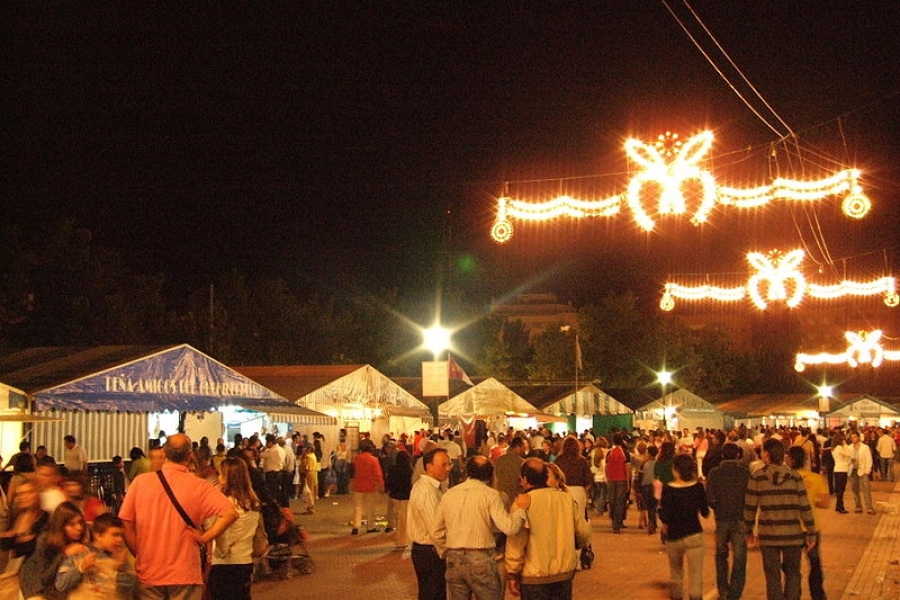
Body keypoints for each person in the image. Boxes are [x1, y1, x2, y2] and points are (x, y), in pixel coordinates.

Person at [119, 433, 238, 599]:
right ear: (190, 456)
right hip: (185, 572)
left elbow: (126, 523)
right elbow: (230, 513)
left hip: (149, 571)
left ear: (165, 454)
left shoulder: (140, 483)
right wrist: (205, 537)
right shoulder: (200, 486)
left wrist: (140, 553)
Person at [432, 455, 530, 600]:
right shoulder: (490, 495)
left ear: (467, 472)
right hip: (481, 558)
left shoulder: (449, 494)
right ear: (490, 475)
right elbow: (509, 528)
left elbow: (435, 531)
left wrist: (446, 550)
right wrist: (521, 510)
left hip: (454, 558)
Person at [505, 458, 592, 600]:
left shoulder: (523, 503)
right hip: (564, 574)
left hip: (534, 577)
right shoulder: (566, 500)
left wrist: (512, 573)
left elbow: (516, 542)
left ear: (525, 479)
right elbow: (583, 533)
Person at [744, 437, 816, 600]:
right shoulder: (795, 477)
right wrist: (811, 532)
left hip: (768, 536)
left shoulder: (757, 477)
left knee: (772, 576)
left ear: (767, 454)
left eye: (763, 451)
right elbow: (805, 507)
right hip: (792, 535)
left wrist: (748, 530)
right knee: (793, 573)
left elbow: (750, 507)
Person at [206, 457, 261, 600]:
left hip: (224, 563)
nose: (218, 477)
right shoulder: (252, 502)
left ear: (227, 478)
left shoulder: (224, 504)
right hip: (245, 560)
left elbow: (213, 528)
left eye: (221, 474)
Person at [658, 454, 710, 600]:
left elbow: (664, 513)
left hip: (674, 536)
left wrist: (664, 522)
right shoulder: (698, 487)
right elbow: (705, 512)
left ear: (676, 470)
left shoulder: (668, 488)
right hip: (694, 534)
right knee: (695, 574)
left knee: (676, 573)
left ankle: (676, 597)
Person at [55, 512, 137, 599]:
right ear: (98, 535)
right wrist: (81, 568)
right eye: (115, 535)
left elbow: (130, 586)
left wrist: (117, 568)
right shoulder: (80, 553)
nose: (120, 540)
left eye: (121, 535)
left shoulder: (120, 557)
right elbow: (61, 584)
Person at [20, 501, 91, 600]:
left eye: (80, 522)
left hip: (60, 587)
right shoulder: (45, 541)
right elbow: (45, 579)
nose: (79, 528)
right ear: (61, 525)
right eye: (72, 524)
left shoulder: (77, 540)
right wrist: (64, 554)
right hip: (36, 586)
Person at [706, 442, 750, 600]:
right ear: (738, 455)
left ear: (722, 455)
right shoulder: (745, 473)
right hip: (740, 518)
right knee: (740, 557)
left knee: (721, 555)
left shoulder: (714, 473)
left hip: (722, 519)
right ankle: (735, 593)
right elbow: (750, 496)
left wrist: (717, 508)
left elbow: (709, 497)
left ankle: (723, 590)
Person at [408, 447, 452, 600]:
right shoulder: (427, 491)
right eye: (443, 465)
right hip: (430, 551)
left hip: (430, 550)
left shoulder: (436, 488)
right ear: (429, 467)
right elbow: (436, 529)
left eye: (449, 464)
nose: (448, 469)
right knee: (433, 594)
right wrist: (447, 551)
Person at [787, 446, 829, 600]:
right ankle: (817, 595)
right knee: (815, 564)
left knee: (792, 567)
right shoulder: (816, 478)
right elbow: (825, 504)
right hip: (812, 528)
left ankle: (792, 594)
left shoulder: (786, 479)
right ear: (805, 460)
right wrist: (812, 500)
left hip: (791, 528)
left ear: (790, 460)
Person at [350, 439, 384, 535]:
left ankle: (355, 527)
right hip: (370, 486)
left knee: (357, 507)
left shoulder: (356, 458)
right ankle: (370, 527)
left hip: (358, 485)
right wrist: (381, 485)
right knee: (370, 507)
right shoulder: (374, 459)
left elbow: (353, 471)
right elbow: (378, 474)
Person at [553, 436, 593, 518]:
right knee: (579, 518)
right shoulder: (582, 460)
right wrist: (585, 490)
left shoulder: (558, 460)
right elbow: (589, 479)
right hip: (579, 491)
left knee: (564, 518)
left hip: (563, 491)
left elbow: (554, 477)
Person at [384, 450, 413, 549]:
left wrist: (389, 490)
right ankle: (403, 540)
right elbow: (411, 484)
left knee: (398, 518)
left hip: (395, 496)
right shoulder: (409, 471)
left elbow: (388, 482)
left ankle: (400, 539)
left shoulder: (393, 469)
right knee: (404, 519)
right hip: (405, 496)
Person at [605, 433, 630, 533]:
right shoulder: (625, 453)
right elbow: (627, 469)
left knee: (612, 501)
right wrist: (628, 482)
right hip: (622, 479)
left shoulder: (609, 453)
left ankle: (614, 522)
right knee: (620, 502)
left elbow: (606, 467)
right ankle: (617, 524)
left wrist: (607, 478)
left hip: (611, 479)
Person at [847, 430, 876, 514]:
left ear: (858, 437)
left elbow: (869, 459)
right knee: (855, 489)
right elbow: (847, 459)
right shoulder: (849, 447)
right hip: (853, 470)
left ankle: (869, 507)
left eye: (855, 437)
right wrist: (850, 461)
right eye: (852, 437)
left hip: (863, 470)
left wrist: (867, 470)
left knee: (866, 489)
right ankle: (858, 506)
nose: (853, 439)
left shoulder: (865, 447)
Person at [493, 436, 526, 508]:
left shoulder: (499, 460)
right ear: (517, 447)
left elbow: (495, 480)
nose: (524, 449)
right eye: (523, 447)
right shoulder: (522, 462)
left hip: (501, 498)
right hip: (516, 500)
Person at [830, 431, 851, 514]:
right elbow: (849, 454)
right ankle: (840, 507)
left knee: (839, 489)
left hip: (837, 469)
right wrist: (845, 444)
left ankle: (839, 506)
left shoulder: (834, 448)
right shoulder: (839, 448)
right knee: (841, 490)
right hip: (842, 469)